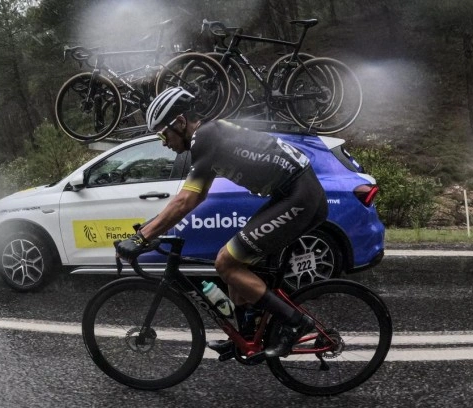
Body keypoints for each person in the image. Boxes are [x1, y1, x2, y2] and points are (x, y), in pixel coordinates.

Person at [115, 87, 329, 358]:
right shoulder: (210, 136)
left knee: (225, 262)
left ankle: (295, 323)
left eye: (162, 134)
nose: (164, 143)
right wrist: (151, 227)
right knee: (235, 264)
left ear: (179, 122)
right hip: (294, 193)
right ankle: (245, 336)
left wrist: (141, 238)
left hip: (300, 196)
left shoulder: (205, 138)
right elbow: (194, 195)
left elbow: (187, 200)